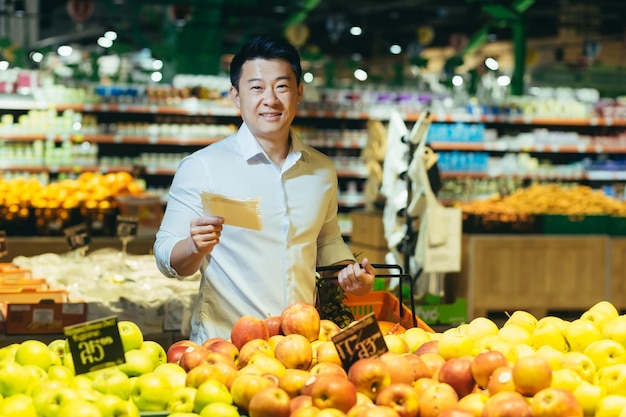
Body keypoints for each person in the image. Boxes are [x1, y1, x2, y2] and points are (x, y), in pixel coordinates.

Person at [154, 33, 375, 344]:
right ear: (236, 96)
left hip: (300, 346)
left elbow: (326, 240)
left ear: (299, 92)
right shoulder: (202, 167)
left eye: (282, 86)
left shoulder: (321, 169)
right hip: (226, 350)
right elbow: (165, 256)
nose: (270, 99)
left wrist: (349, 273)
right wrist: (193, 248)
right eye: (256, 88)